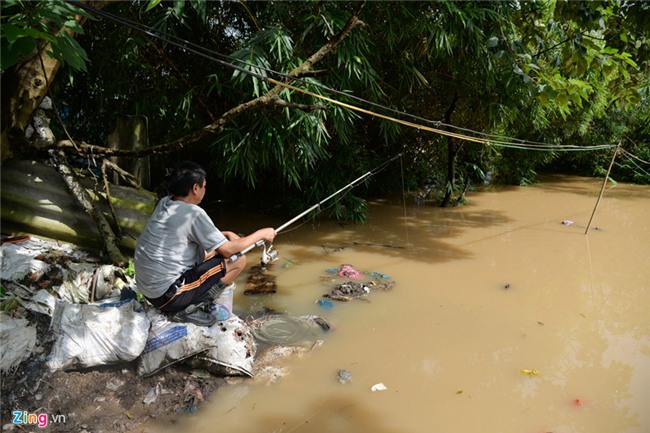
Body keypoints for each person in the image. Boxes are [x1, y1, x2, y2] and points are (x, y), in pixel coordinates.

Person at [134, 161, 276, 326]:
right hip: (167, 296)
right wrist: (262, 233)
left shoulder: (165, 202)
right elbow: (228, 251)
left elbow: (202, 240)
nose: (204, 190)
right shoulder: (193, 213)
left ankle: (189, 301)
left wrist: (226, 234)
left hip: (148, 289)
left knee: (210, 253)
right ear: (195, 188)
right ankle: (189, 308)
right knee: (239, 261)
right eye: (204, 187)